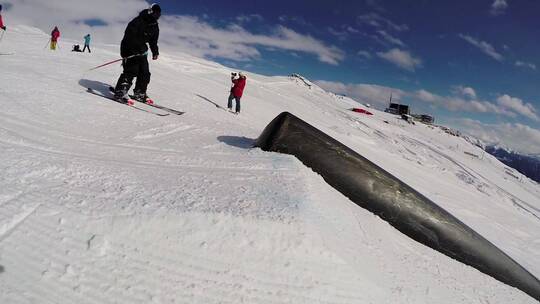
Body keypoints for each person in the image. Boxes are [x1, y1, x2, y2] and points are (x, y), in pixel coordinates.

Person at [113, 3, 161, 104]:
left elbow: (153, 41)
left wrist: (155, 52)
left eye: (158, 15)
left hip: (142, 51)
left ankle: (139, 93)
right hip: (129, 48)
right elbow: (129, 35)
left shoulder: (154, 26)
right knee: (131, 70)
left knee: (145, 73)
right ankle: (120, 91)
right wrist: (134, 49)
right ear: (150, 12)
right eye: (155, 13)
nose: (156, 16)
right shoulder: (139, 21)